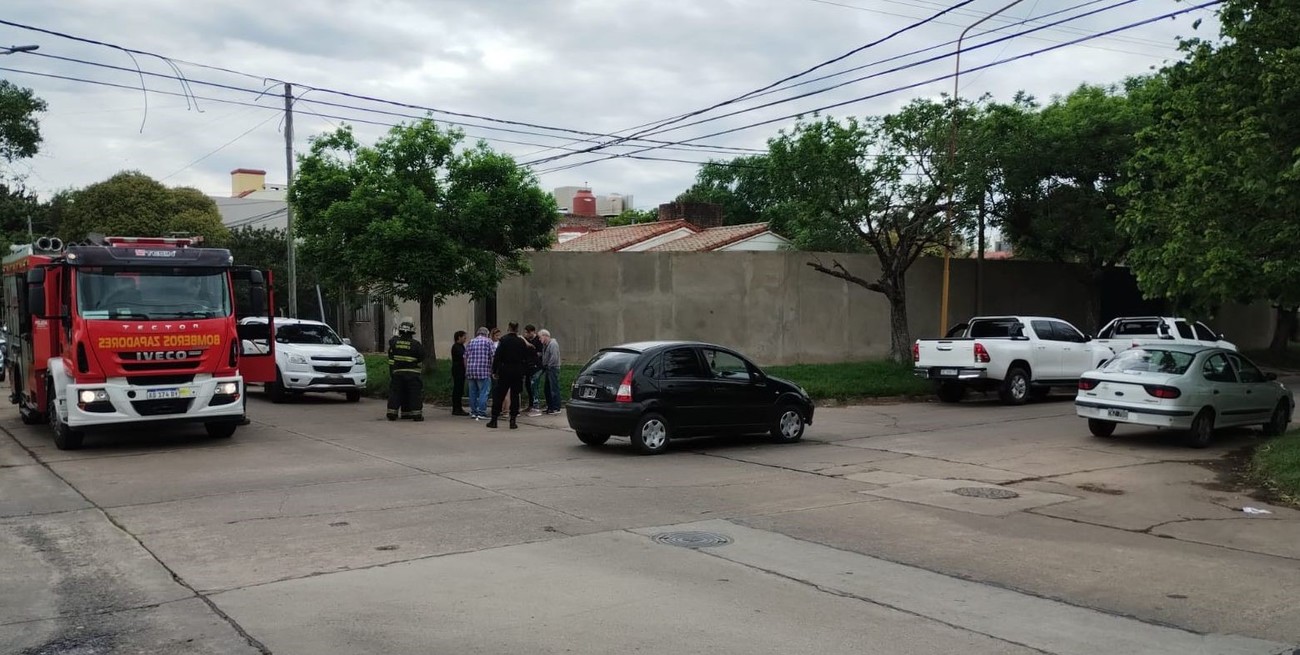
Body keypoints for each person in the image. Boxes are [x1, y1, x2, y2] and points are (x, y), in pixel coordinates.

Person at [487, 322, 531, 430]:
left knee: (499, 395)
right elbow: (526, 357)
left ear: (509, 328)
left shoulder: (503, 340)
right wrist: (524, 371)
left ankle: (494, 419)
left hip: (505, 370)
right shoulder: (521, 342)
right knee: (515, 396)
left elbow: (497, 356)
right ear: (517, 329)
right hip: (517, 371)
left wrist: (495, 370)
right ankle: (513, 420)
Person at [386, 318, 425, 422]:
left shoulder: (394, 343)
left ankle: (392, 413)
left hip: (397, 373)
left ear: (400, 331)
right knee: (414, 394)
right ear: (412, 332)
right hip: (413, 374)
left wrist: (392, 372)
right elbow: (421, 356)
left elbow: (391, 358)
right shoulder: (416, 344)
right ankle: (416, 415)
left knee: (396, 393)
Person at [464, 327, 493, 420]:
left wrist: (466, 369)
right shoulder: (488, 341)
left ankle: (474, 412)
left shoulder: (471, 341)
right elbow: (492, 356)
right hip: (483, 371)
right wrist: (493, 369)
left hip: (471, 371)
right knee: (483, 392)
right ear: (487, 334)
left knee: (472, 393)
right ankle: (481, 412)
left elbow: (465, 357)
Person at [539, 329, 562, 414]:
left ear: (545, 336)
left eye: (540, 337)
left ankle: (556, 407)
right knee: (547, 389)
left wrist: (549, 365)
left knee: (554, 388)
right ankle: (550, 406)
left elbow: (554, 357)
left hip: (553, 368)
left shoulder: (553, 344)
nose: (539, 339)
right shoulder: (545, 345)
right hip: (548, 368)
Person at [523, 324, 544, 417]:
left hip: (536, 367)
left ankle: (536, 406)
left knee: (534, 385)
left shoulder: (538, 340)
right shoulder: (526, 340)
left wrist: (532, 353)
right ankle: (531, 404)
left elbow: (538, 353)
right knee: (528, 386)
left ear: (532, 332)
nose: (526, 334)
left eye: (527, 332)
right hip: (528, 367)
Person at [450, 330, 468, 416]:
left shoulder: (461, 346)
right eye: (464, 337)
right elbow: (463, 356)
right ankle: (456, 408)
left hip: (461, 370)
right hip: (458, 370)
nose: (465, 339)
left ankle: (458, 407)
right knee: (457, 389)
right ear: (459, 337)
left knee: (460, 389)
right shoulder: (456, 347)